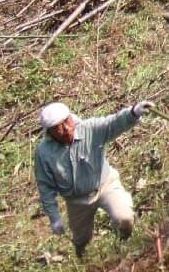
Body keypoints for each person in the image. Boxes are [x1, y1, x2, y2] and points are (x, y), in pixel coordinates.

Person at [32, 100, 152, 257]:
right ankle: (84, 259)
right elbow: (45, 187)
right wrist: (54, 218)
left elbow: (113, 123)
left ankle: (123, 247)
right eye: (58, 128)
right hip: (77, 200)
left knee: (124, 218)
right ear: (50, 133)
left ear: (71, 118)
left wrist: (133, 112)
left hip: (105, 185)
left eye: (67, 122)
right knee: (81, 240)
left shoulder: (90, 129)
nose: (66, 129)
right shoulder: (44, 153)